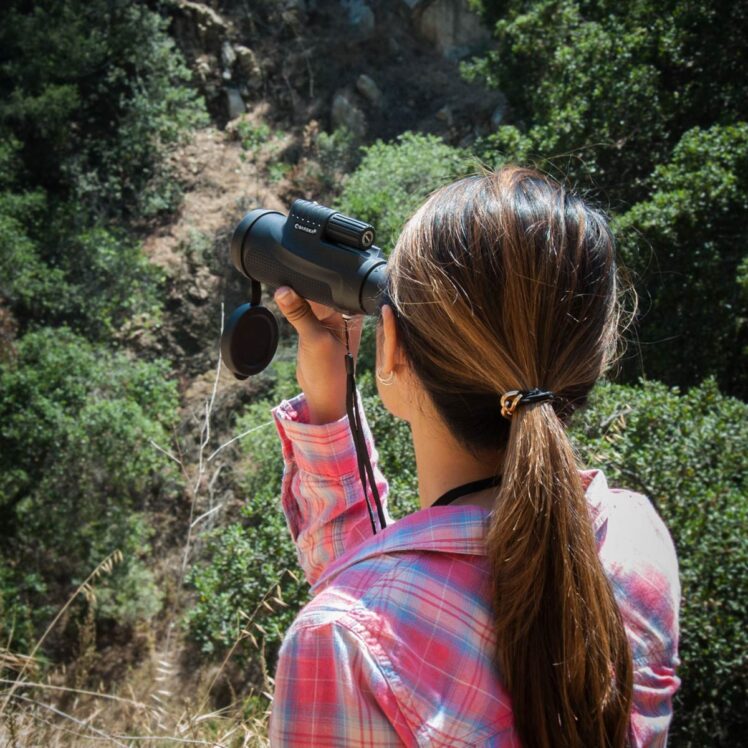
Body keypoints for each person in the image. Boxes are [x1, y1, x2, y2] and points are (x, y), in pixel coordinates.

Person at [267, 167, 680, 747]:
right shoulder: (638, 543)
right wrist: (331, 415)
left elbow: (388, 614)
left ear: (389, 346)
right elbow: (405, 601)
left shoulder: (340, 644)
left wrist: (328, 409)